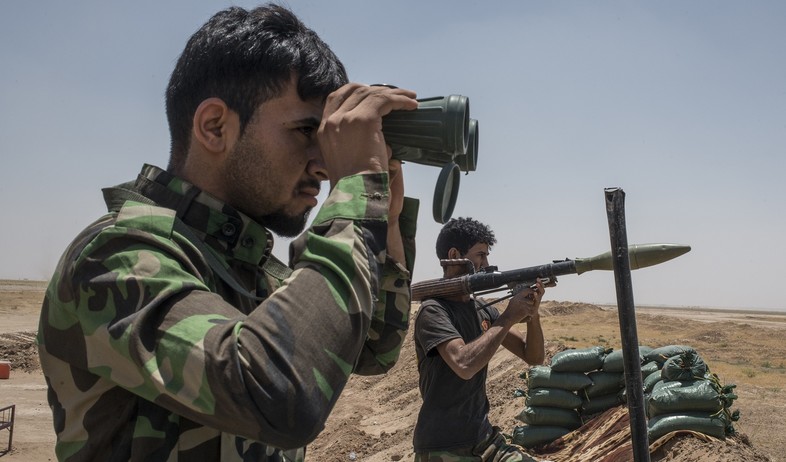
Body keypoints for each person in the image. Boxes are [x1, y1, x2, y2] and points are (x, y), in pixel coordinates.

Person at [37, 4, 420, 461]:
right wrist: (356, 193)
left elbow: (376, 347)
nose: (323, 164)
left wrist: (386, 215)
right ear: (215, 126)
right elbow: (279, 392)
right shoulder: (119, 252)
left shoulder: (242, 263)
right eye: (305, 131)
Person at [412, 217, 546, 461]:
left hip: (485, 440)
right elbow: (464, 365)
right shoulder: (433, 311)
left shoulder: (483, 308)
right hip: (444, 448)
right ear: (454, 255)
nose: (486, 263)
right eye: (480, 255)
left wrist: (532, 313)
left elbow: (533, 356)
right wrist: (507, 317)